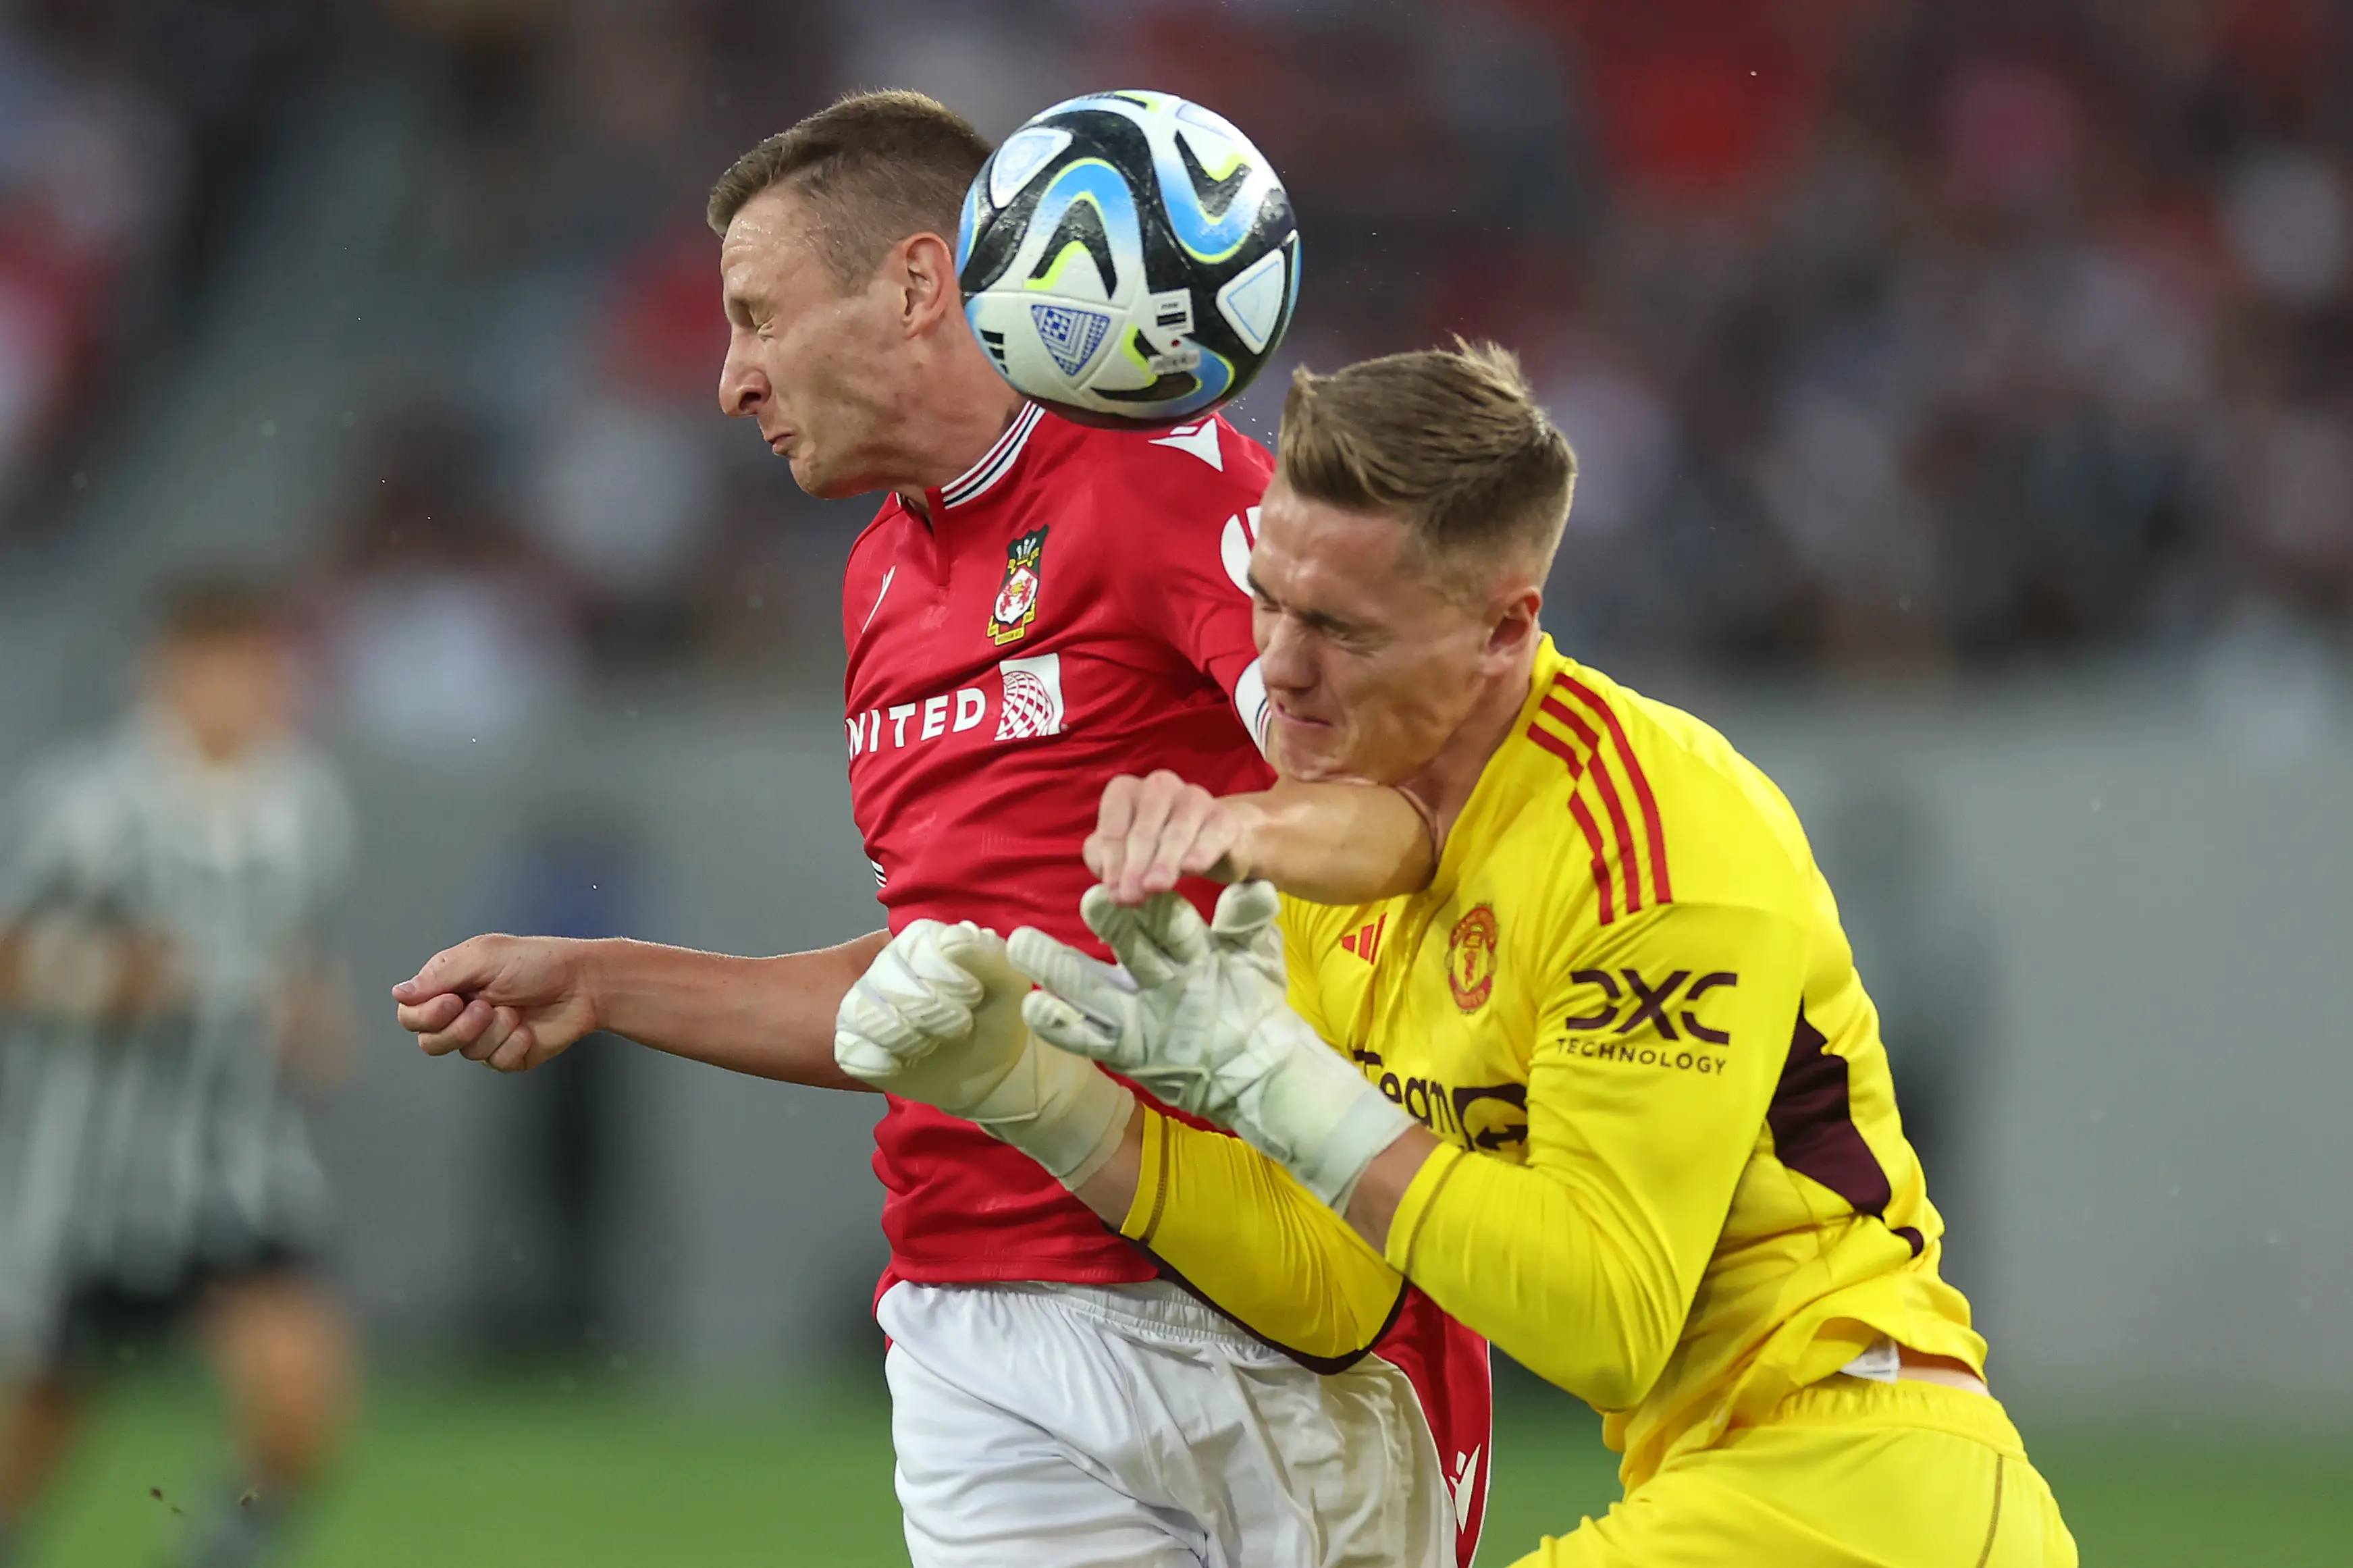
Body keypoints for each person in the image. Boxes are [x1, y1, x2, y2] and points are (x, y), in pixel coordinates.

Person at [390, 91, 1489, 1567]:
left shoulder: (1166, 483)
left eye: (756, 318)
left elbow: (1409, 812)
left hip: (1266, 1302)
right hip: (978, 1323)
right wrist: (600, 981)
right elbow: (942, 984)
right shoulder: (879, 591)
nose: (729, 382)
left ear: (916, 284)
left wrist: (1244, 839)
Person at [834, 342, 2080, 1565]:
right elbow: (1333, 1290)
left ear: (1503, 628)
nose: (1278, 662)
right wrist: (1038, 1097)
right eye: (1265, 596)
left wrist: (1282, 1083)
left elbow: (1607, 1319)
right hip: (1727, 1482)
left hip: (1859, 1480)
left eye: (1342, 627)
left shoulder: (1653, 835)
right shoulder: (1336, 874)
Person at [0, 584, 357, 1568]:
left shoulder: (307, 807)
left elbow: (300, 957)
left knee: (300, 1389)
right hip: (97, 1172)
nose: (243, 691)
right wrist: (106, 976)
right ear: (164, 673)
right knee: (46, 1408)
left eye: (259, 666)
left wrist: (310, 1016)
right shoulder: (87, 807)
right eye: (218, 666)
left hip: (240, 1157)